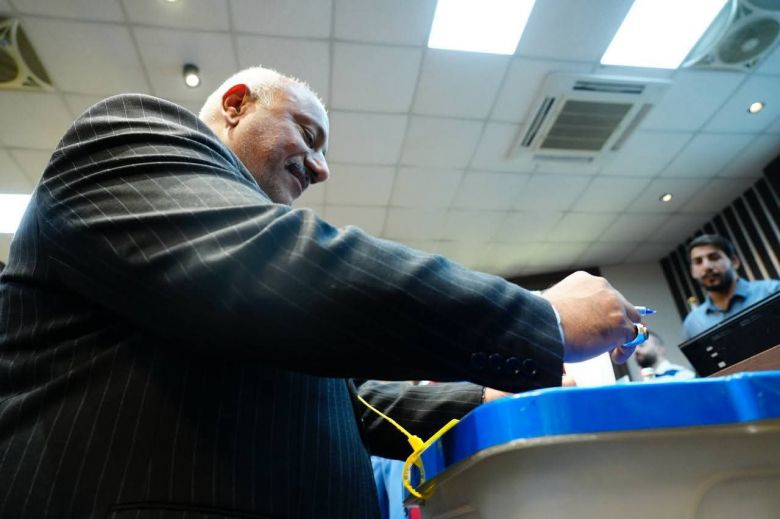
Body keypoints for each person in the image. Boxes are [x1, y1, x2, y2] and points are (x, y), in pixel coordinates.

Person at [0, 66, 643, 518]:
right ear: (236, 104)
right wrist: (540, 317)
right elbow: (283, 265)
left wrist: (482, 399)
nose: (322, 168)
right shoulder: (126, 136)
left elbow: (346, 404)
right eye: (308, 135)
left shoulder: (239, 301)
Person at [683, 234, 780, 339]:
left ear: (734, 261)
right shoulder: (692, 323)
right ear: (692, 271)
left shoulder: (772, 291)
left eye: (714, 257)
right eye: (698, 262)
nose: (706, 266)